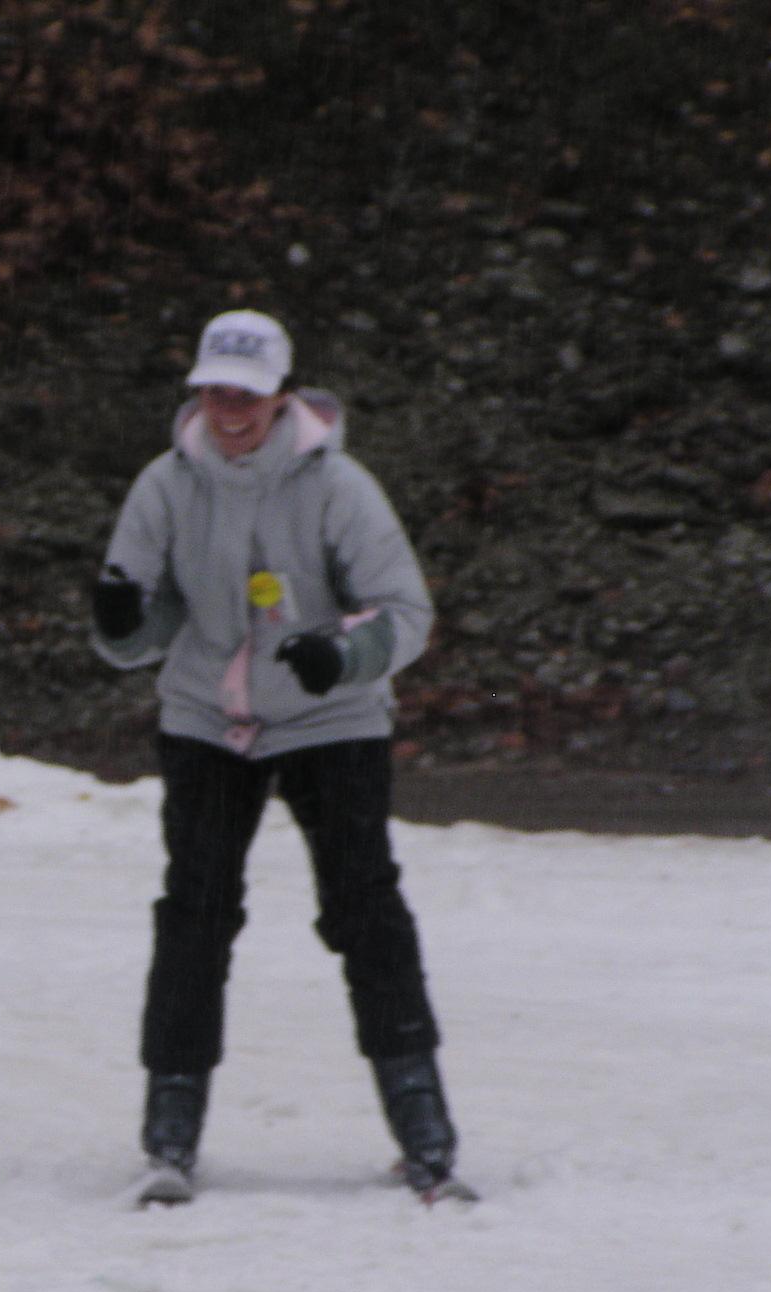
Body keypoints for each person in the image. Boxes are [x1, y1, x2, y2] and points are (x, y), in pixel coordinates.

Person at [90, 309, 469, 1205]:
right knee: (195, 913)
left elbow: (405, 613)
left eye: (248, 394)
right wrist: (121, 624)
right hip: (205, 721)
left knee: (364, 907)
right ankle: (170, 1132)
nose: (230, 410)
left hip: (331, 721)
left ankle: (424, 1128)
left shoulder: (338, 486)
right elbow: (140, 624)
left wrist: (345, 653)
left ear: (283, 397)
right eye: (216, 391)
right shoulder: (165, 485)